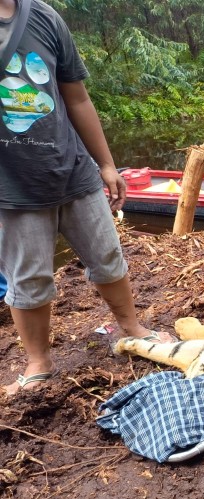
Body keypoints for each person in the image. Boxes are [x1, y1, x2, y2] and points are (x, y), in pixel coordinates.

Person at [0, 0, 171, 395]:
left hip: (73, 169)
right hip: (13, 185)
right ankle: (39, 363)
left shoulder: (43, 17)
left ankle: (131, 327)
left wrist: (106, 164)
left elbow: (76, 97)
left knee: (107, 255)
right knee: (29, 277)